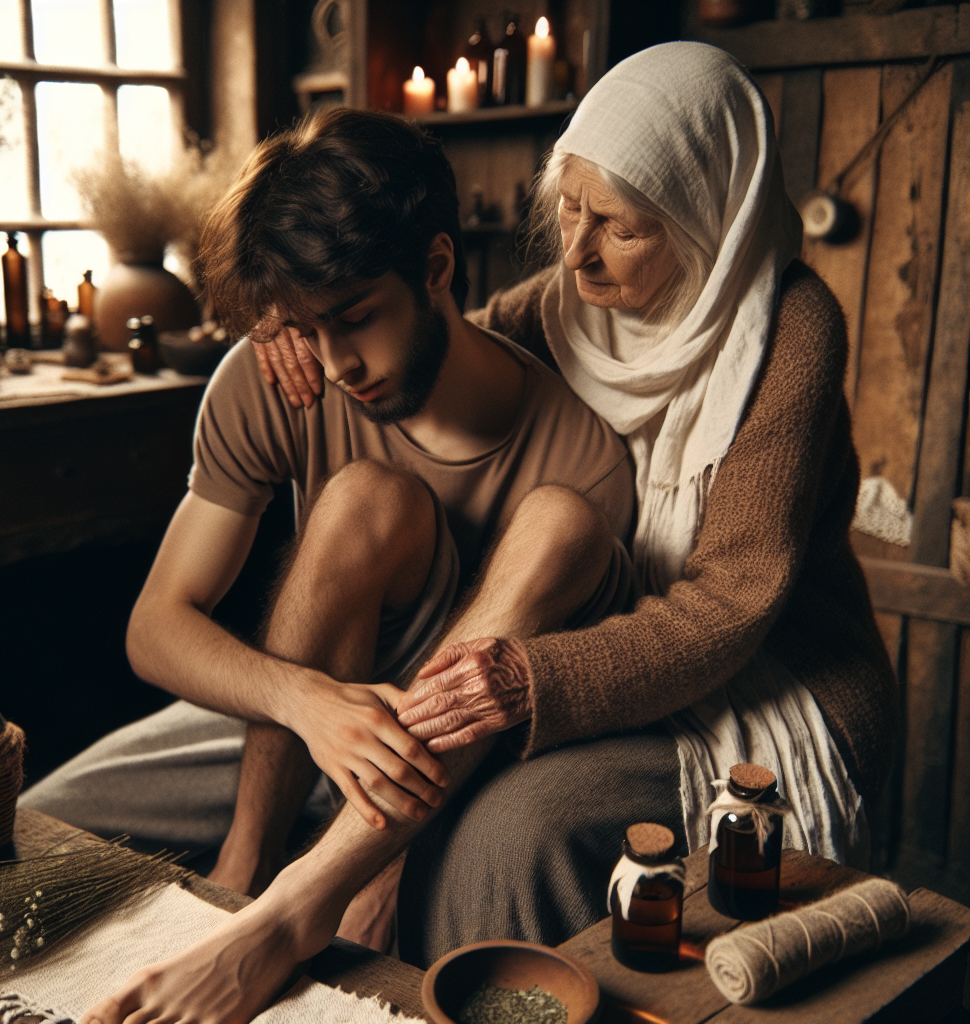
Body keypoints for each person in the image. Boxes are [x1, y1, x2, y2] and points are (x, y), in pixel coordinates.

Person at [258, 41, 900, 971]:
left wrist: (527, 682)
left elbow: (730, 609)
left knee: (504, 830)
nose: (577, 250)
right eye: (568, 209)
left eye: (619, 226)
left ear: (706, 219)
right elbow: (443, 359)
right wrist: (299, 324)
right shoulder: (560, 308)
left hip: (767, 682)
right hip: (587, 630)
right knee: (387, 769)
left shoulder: (788, 332)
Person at [18, 107, 665, 1024]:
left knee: (490, 513)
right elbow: (155, 627)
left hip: (453, 742)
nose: (333, 361)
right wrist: (302, 700)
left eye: (356, 318)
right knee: (29, 828)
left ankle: (294, 898)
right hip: (302, 706)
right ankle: (241, 873)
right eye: (303, 325)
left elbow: (513, 702)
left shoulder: (585, 464)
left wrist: (386, 861)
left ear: (437, 269)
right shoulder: (283, 371)